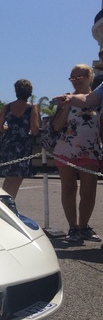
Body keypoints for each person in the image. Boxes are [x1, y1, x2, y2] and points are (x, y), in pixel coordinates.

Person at [52, 64, 102, 244]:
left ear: (90, 77)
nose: (75, 81)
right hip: (67, 149)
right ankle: (73, 227)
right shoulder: (67, 98)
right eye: (72, 78)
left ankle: (84, 226)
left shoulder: (98, 99)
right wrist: (66, 106)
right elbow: (56, 126)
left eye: (79, 77)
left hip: (91, 150)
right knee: (68, 188)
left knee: (88, 192)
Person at [0, 79, 40, 198]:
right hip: (23, 143)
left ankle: (4, 203)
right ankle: (10, 203)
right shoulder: (32, 107)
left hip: (9, 142)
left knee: (9, 176)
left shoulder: (8, 107)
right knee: (18, 176)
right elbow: (35, 129)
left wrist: (9, 130)